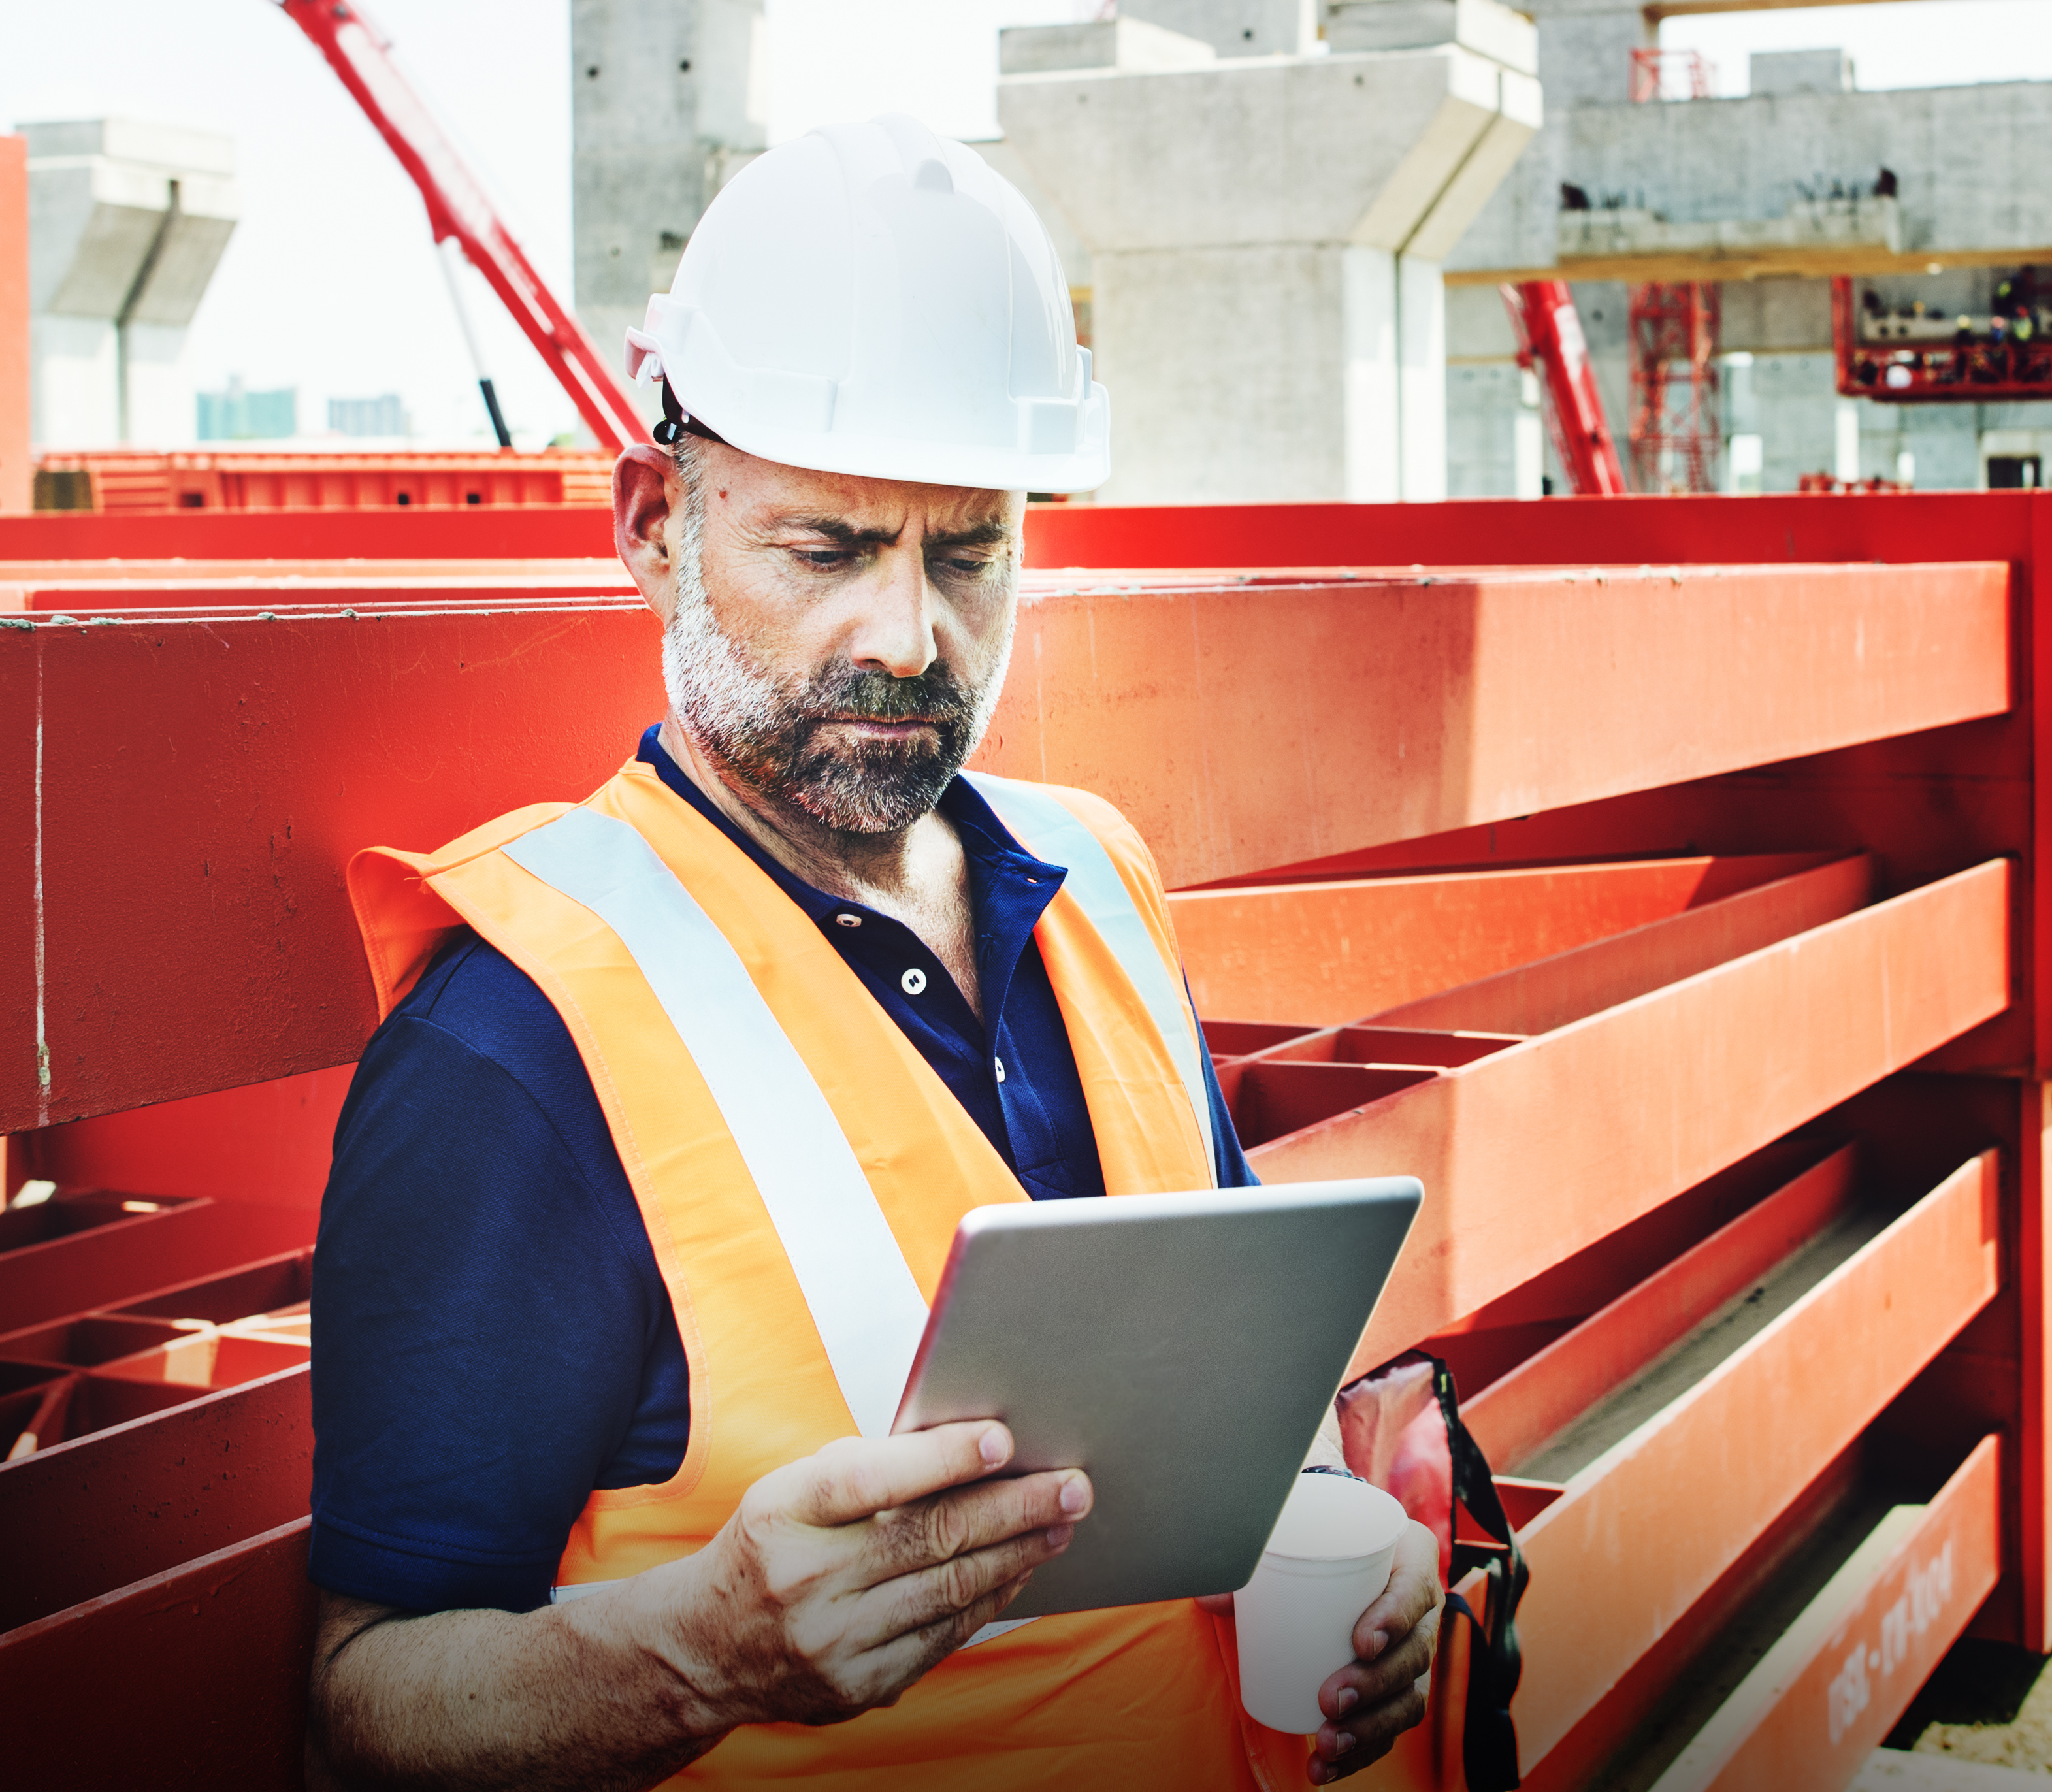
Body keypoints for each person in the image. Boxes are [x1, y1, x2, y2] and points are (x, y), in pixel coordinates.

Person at [301, 114, 1442, 1792]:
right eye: (828, 549)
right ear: (649, 525)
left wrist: (1349, 1544)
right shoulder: (518, 1043)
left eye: (969, 550)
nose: (910, 638)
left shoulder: (1099, 882)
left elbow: (1219, 1398)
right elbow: (363, 1706)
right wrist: (697, 1652)